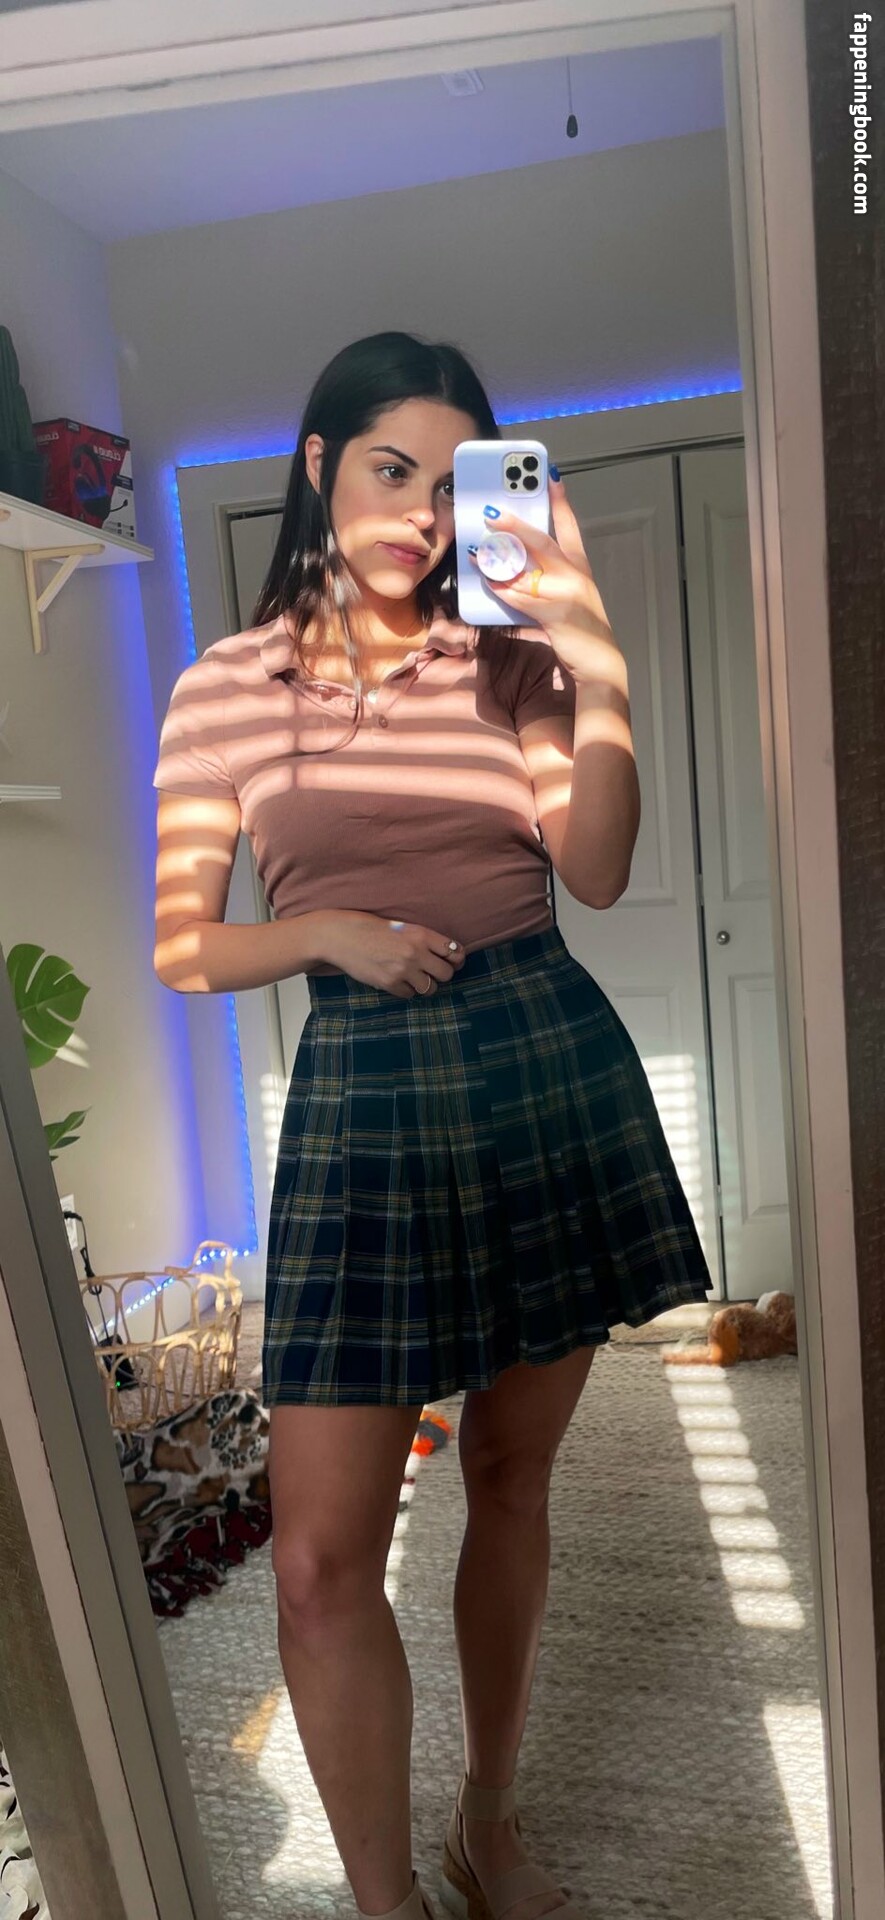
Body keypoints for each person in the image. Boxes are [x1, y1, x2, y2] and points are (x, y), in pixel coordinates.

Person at [153, 331, 714, 1920]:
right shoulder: (225, 687)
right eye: (387, 466)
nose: (416, 508)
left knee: (509, 1478)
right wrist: (323, 934)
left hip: (540, 1065)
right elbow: (184, 945)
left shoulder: (513, 666)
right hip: (365, 1098)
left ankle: (486, 1819)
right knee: (318, 1558)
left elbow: (592, 868)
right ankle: (384, 1903)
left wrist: (593, 652)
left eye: (451, 479)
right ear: (318, 465)